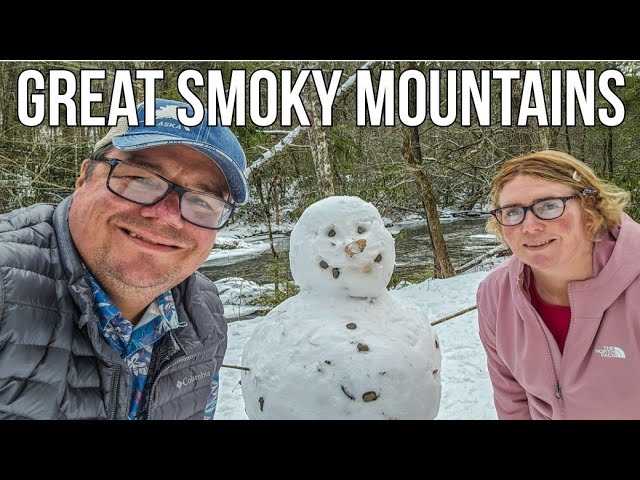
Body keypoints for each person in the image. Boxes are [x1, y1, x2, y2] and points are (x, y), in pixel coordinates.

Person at [0, 98, 250, 420]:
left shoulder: (205, 315)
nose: (168, 217)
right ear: (84, 177)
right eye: (141, 179)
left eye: (203, 201)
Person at [476, 149, 639, 420]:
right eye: (513, 212)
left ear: (590, 209)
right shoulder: (496, 294)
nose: (529, 226)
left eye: (549, 206)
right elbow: (512, 401)